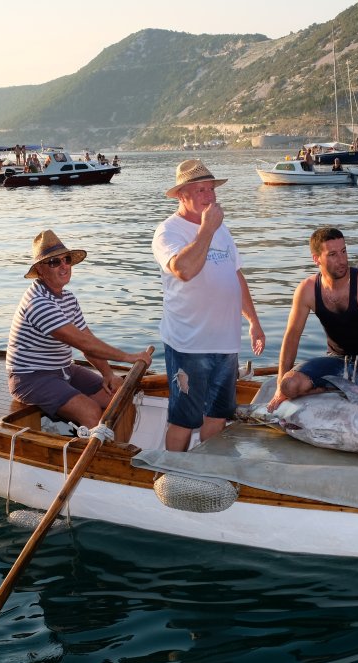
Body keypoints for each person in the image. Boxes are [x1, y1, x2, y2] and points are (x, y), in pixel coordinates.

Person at [152, 159, 265, 451]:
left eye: (211, 189)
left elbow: (235, 275)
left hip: (226, 342)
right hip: (190, 344)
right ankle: (172, 476)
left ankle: (209, 471)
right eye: (200, 190)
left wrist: (253, 321)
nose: (209, 196)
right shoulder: (168, 232)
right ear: (181, 195)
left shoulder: (221, 229)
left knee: (217, 415)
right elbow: (184, 270)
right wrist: (206, 230)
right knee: (184, 420)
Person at [7, 229, 153, 428]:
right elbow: (83, 343)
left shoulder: (68, 299)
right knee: (91, 411)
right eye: (54, 262)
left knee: (120, 401)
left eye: (66, 259)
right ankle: (100, 457)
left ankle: (117, 453)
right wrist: (128, 357)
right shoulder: (38, 303)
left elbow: (87, 343)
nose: (63, 266)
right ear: (40, 270)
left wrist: (108, 374)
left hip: (64, 369)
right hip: (31, 378)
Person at [268, 227, 358, 411]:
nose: (342, 260)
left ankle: (337, 391)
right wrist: (279, 389)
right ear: (316, 259)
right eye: (332, 254)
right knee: (289, 386)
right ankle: (335, 389)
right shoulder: (307, 290)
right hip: (336, 359)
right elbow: (291, 337)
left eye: (344, 251)